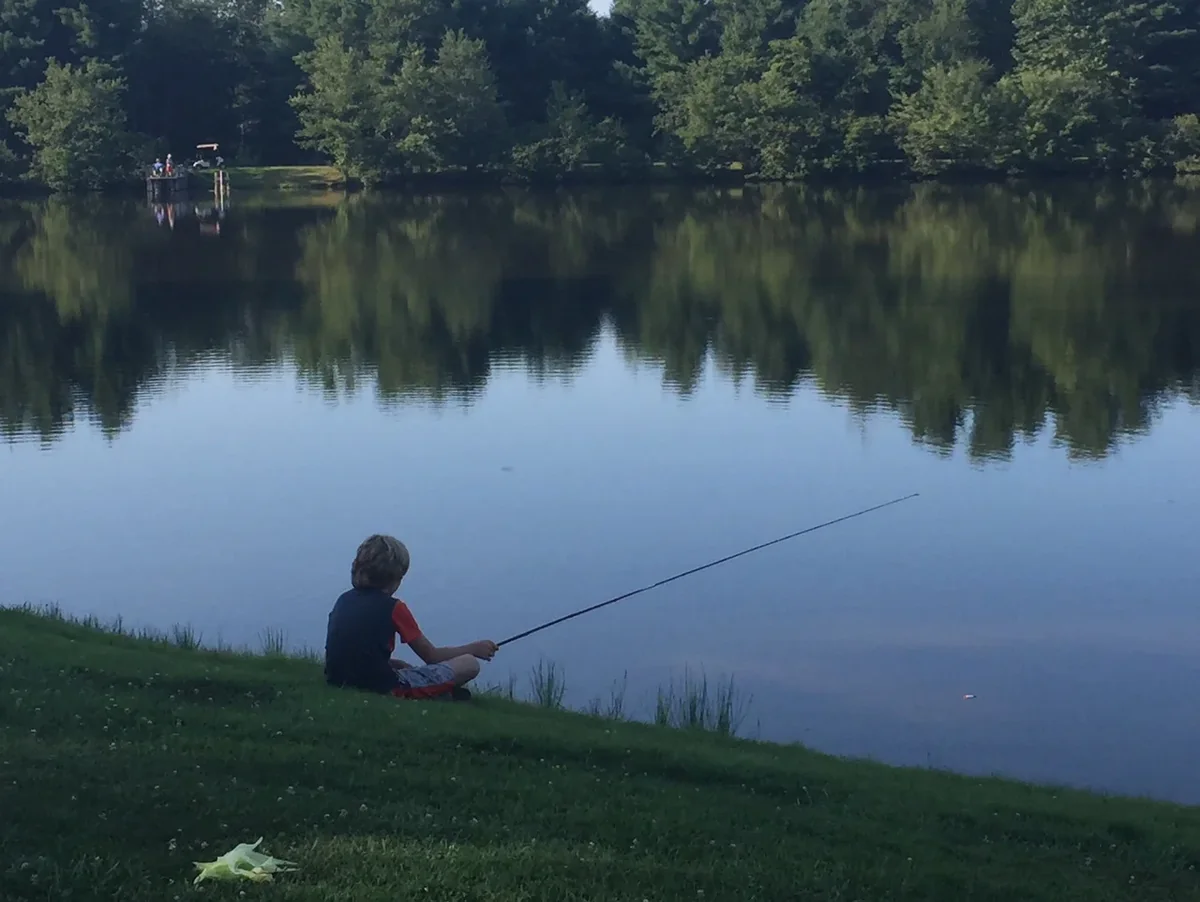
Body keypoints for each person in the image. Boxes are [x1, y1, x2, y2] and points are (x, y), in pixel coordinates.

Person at [324, 534, 497, 701]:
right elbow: (432, 656)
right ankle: (437, 693)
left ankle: (443, 694)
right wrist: (473, 649)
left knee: (400, 665)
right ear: (396, 578)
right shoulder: (394, 607)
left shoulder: (343, 600)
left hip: (337, 678)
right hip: (381, 686)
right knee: (469, 664)